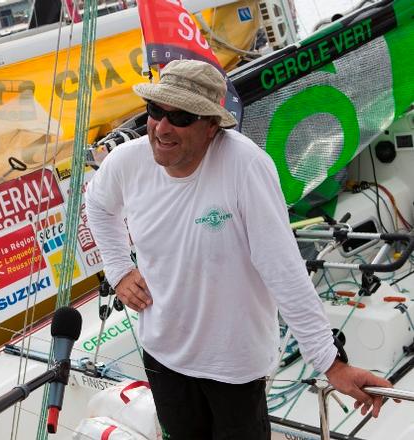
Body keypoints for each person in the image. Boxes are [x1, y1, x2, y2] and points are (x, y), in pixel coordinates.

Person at [84, 59, 392, 440]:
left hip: (234, 367)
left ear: (212, 125)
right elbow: (97, 205)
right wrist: (118, 270)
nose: (161, 128)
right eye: (155, 110)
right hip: (162, 356)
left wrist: (331, 363)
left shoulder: (245, 167)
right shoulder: (126, 161)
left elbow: (283, 270)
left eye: (180, 117)